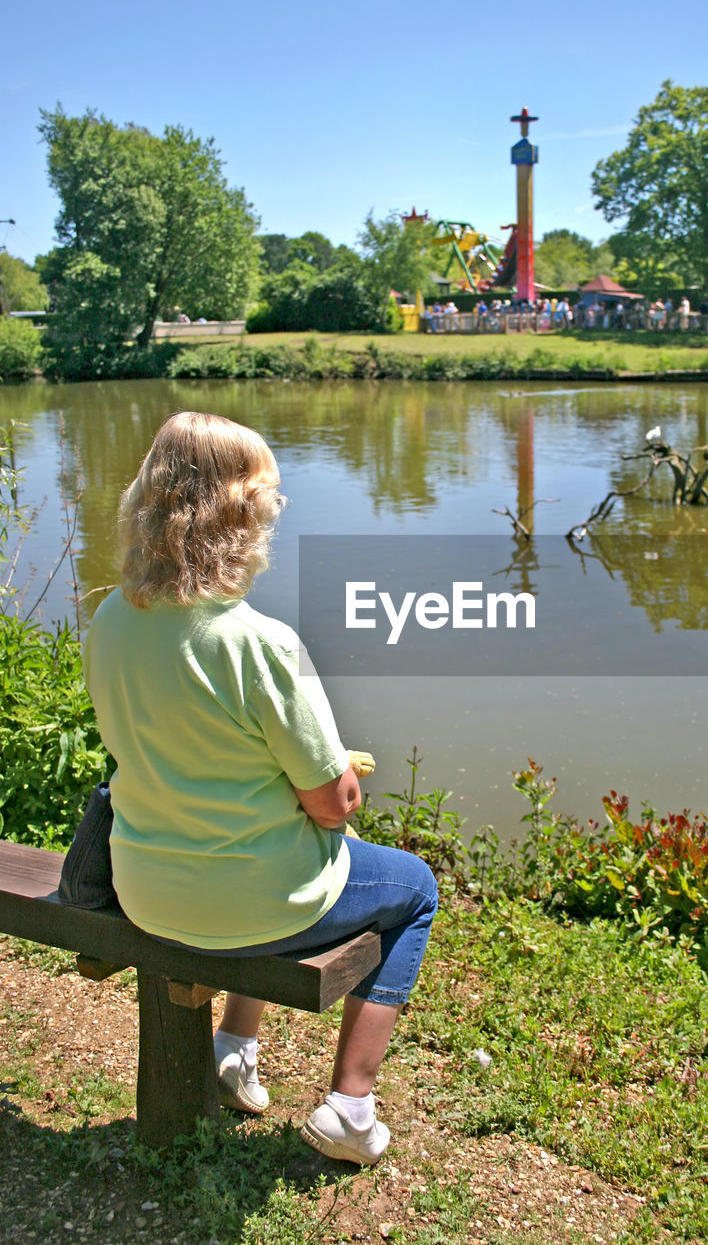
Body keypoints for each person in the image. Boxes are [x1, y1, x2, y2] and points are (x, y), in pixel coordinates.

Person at [82, 412, 438, 1166]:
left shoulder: (110, 619)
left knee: (272, 849)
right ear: (240, 516)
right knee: (413, 887)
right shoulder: (264, 644)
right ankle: (349, 1106)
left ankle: (235, 1046)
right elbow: (334, 804)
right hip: (252, 901)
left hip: (146, 887)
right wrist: (336, 767)